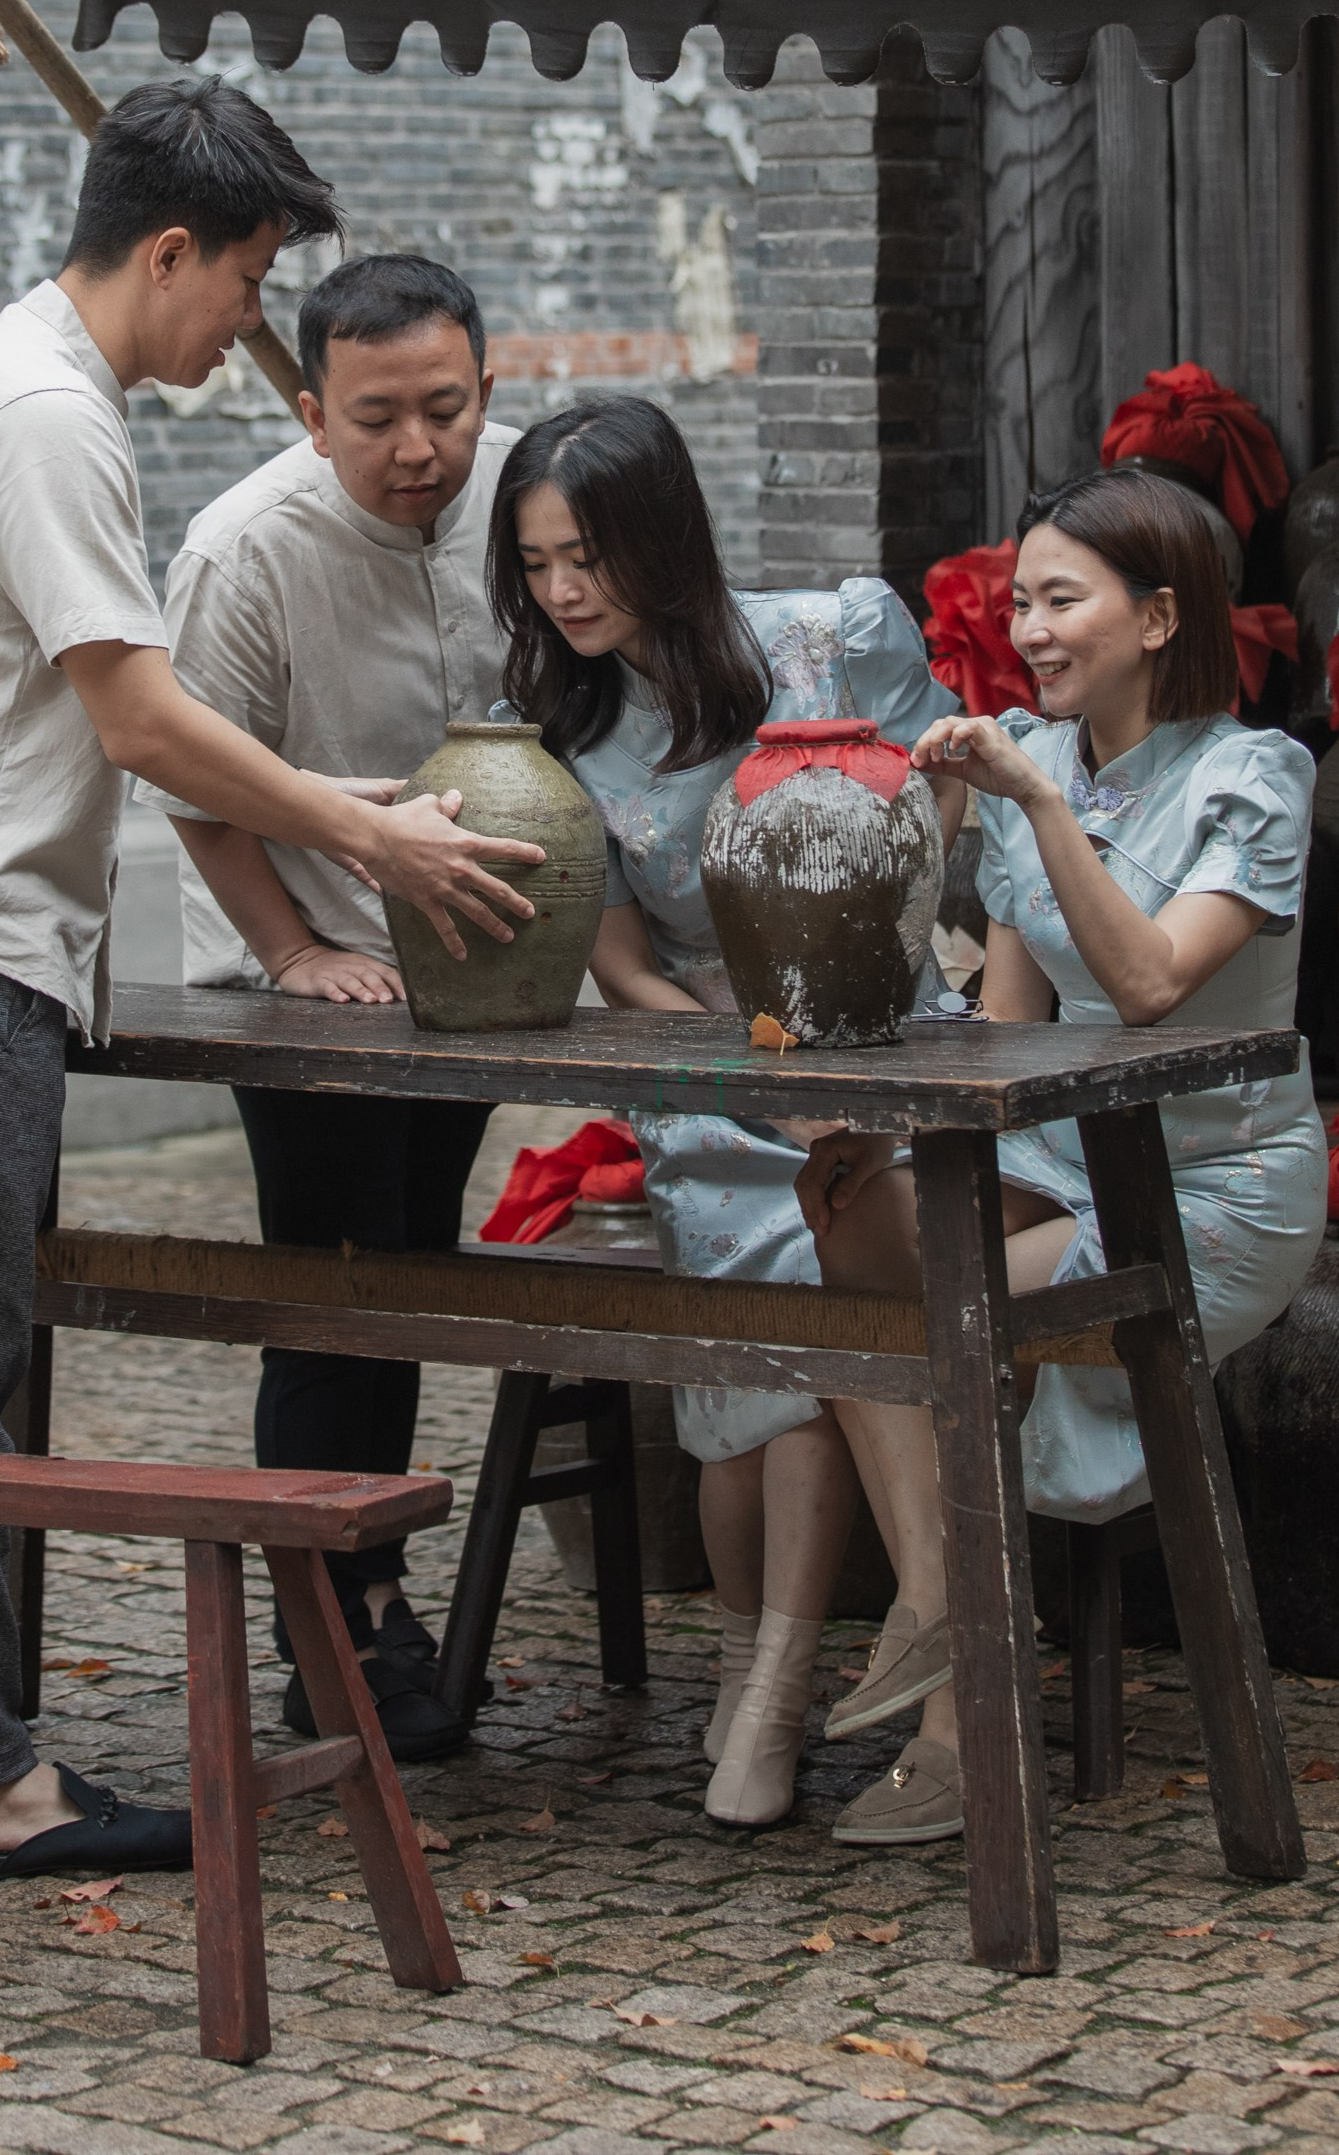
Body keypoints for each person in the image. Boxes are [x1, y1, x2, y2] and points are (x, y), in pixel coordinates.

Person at [0, 85, 544, 1887]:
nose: (246, 325)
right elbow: (141, 715)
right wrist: (363, 844)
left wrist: (337, 818)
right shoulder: (52, 416)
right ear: (168, 252)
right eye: (242, 283)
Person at [799, 469, 1327, 1847]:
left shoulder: (1250, 777)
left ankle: (960, 1712)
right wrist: (884, 1117)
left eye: (1060, 600)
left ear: (1158, 615)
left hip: (1213, 1186)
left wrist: (1035, 807)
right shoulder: (1051, 766)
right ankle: (951, 1604)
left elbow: (1151, 983)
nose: (1028, 629)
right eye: (1020, 601)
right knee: (846, 1216)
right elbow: (1008, 1037)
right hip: (1073, 1158)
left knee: (949, 1320)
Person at [487, 395, 962, 1829]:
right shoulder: (563, 727)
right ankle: (806, 1678)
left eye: (587, 555)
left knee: (828, 1266)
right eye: (537, 564)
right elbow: (617, 953)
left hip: (879, 1040)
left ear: (661, 537)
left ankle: (783, 1693)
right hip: (701, 1065)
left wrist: (851, 973)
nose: (564, 591)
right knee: (785, 1304)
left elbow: (951, 806)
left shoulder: (829, 635)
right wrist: (719, 1044)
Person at [146, 254, 514, 1760]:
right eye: (376, 420)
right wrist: (296, 951)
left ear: (489, 384)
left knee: (411, 1276)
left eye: (445, 408)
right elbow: (186, 773)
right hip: (297, 969)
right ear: (310, 412)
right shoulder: (244, 550)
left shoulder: (520, 498)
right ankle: (331, 1624)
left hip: (467, 957)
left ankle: (372, 1587)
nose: (418, 448)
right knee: (328, 1288)